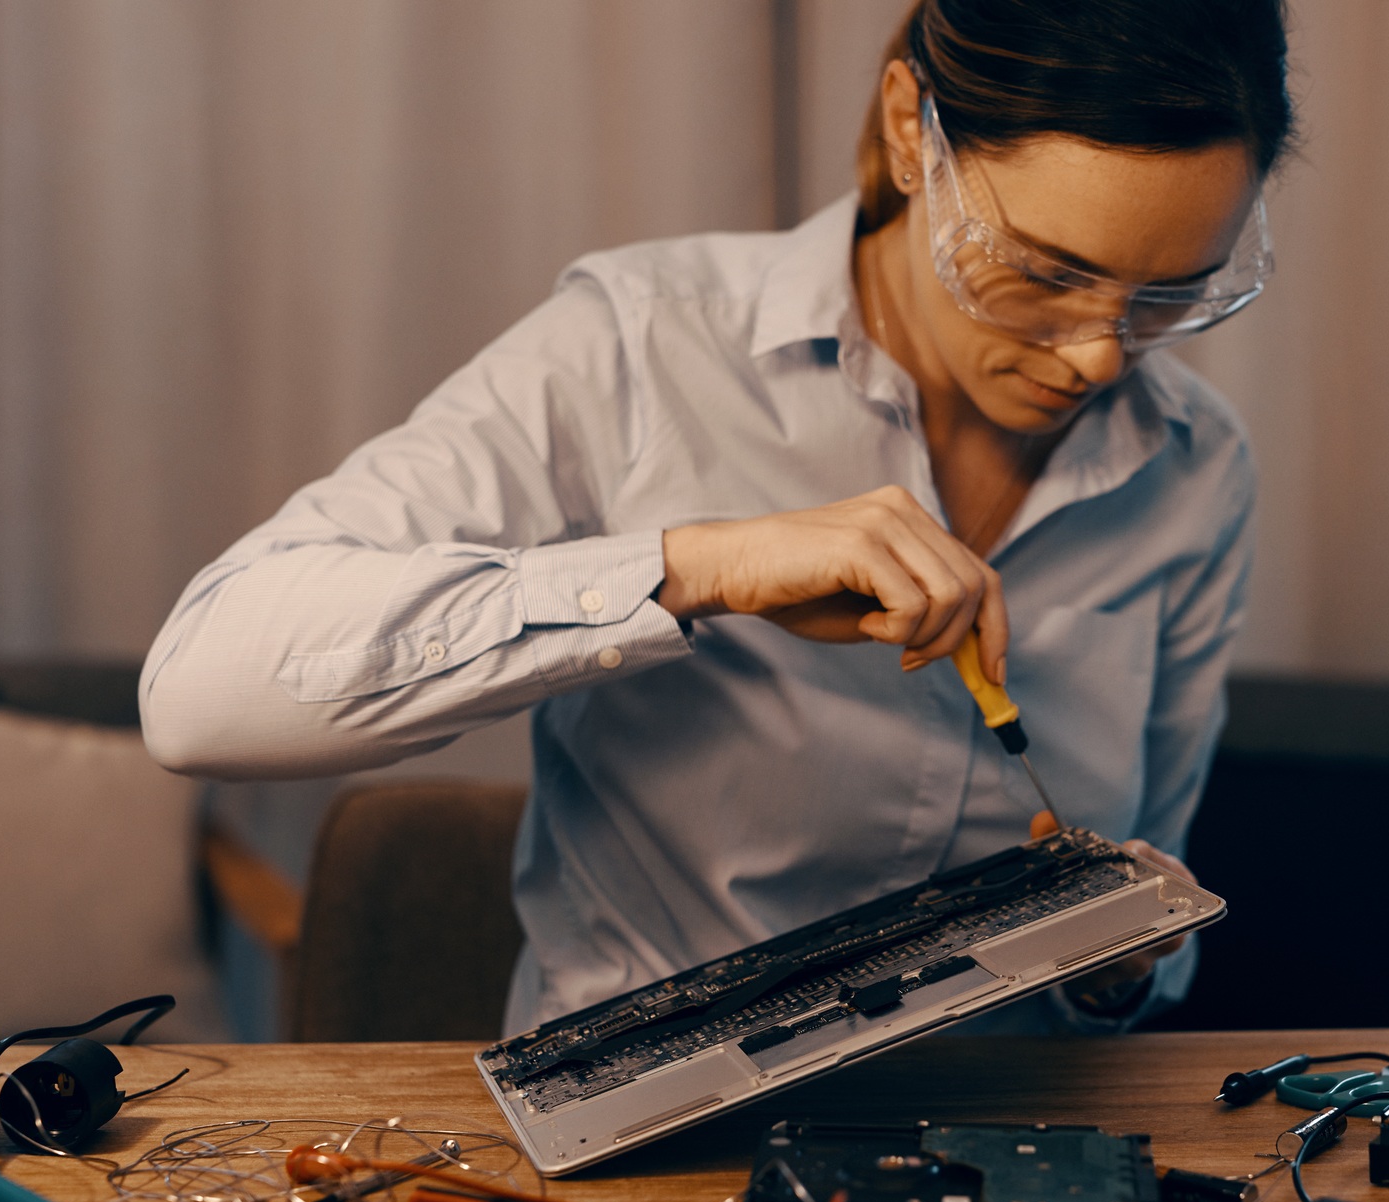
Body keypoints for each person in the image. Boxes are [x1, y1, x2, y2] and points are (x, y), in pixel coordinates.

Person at [141, 0, 1294, 1035]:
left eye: (1166, 293)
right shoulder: (637, 351)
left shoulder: (1195, 470)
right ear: (911, 132)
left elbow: (1142, 924)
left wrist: (1114, 965)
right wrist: (695, 567)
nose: (1099, 355)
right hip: (654, 1149)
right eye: (1041, 270)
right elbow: (200, 696)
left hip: (1013, 1150)